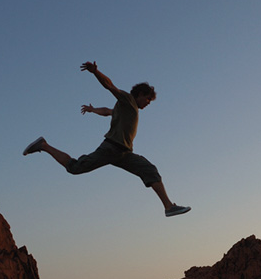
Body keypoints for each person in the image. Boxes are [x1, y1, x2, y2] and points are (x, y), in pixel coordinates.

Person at [23, 61, 191, 218]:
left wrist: (92, 109)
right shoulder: (128, 100)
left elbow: (107, 111)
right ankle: (44, 145)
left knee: (149, 170)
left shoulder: (125, 108)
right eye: (148, 99)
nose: (148, 103)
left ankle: (168, 207)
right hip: (111, 149)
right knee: (75, 168)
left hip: (124, 153)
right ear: (140, 94)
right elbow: (111, 87)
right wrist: (96, 72)